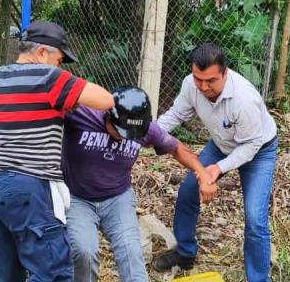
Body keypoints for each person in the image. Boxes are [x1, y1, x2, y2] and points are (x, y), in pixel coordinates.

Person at [0, 21, 115, 282]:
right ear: (42, 52)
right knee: (52, 274)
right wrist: (64, 93)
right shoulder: (50, 78)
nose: (60, 65)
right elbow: (105, 100)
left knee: (8, 272)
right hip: (28, 188)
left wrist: (1, 105)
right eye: (60, 59)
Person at [61, 86, 215, 282]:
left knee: (131, 252)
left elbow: (177, 148)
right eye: (120, 131)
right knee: (84, 251)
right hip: (77, 197)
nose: (125, 137)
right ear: (108, 116)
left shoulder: (145, 128)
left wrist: (201, 173)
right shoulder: (81, 114)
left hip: (117, 198)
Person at [153, 43, 278, 282]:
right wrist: (150, 132)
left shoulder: (243, 98)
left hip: (258, 150)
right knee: (189, 190)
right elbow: (177, 114)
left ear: (225, 73)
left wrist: (218, 168)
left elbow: (251, 145)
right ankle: (185, 252)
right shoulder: (191, 85)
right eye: (198, 79)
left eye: (210, 80)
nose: (203, 86)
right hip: (222, 145)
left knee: (254, 218)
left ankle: (259, 279)